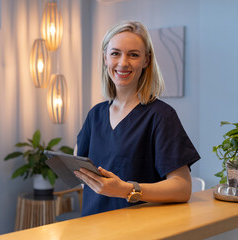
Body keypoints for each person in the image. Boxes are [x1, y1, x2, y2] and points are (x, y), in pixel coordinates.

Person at [73, 20, 200, 217]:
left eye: (133, 55)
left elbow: (182, 188)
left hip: (139, 230)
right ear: (105, 57)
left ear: (146, 60)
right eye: (115, 53)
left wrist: (125, 189)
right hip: (92, 227)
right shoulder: (95, 115)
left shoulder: (161, 116)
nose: (123, 63)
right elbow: (79, 169)